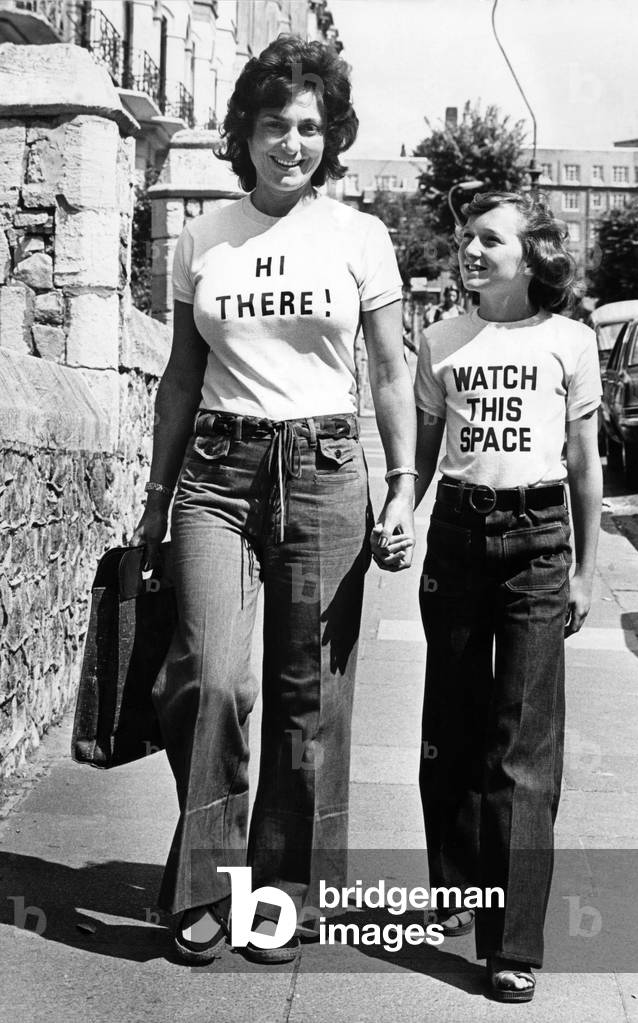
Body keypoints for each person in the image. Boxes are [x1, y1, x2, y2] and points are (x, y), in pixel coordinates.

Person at [130, 35, 416, 965]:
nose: (290, 143)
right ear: (243, 133)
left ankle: (283, 890)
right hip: (218, 467)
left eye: (308, 127)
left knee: (310, 698)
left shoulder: (358, 236)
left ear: (328, 137)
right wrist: (155, 497)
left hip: (328, 466)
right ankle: (209, 875)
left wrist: (402, 484)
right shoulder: (205, 236)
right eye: (272, 125)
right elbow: (179, 377)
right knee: (207, 675)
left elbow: (386, 371)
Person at [406, 192, 602, 1002]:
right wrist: (394, 514)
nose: (471, 250)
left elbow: (585, 463)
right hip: (455, 536)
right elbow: (420, 456)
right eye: (466, 239)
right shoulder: (441, 339)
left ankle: (511, 940)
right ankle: (456, 887)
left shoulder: (570, 342)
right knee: (450, 727)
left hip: (537, 543)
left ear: (534, 255)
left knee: (519, 746)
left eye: (491, 239)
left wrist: (585, 571)